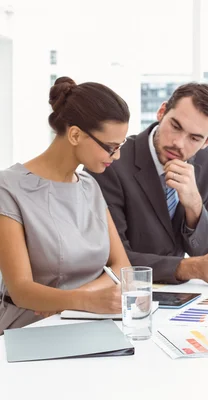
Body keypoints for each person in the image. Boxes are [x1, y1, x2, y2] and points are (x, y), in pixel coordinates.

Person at [0, 77, 131, 334]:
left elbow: (122, 266)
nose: (116, 156)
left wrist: (73, 301)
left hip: (88, 321)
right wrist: (85, 301)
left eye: (120, 146)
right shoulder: (8, 187)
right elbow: (22, 290)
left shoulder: (90, 186)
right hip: (28, 329)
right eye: (111, 147)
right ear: (75, 134)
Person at [88, 83, 208, 284]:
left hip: (182, 296)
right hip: (125, 294)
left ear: (207, 141)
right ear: (161, 112)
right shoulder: (111, 162)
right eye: (176, 127)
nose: (178, 143)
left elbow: (206, 249)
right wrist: (191, 268)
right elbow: (112, 258)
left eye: (195, 138)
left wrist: (194, 205)